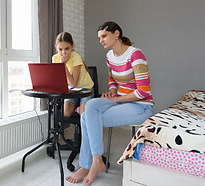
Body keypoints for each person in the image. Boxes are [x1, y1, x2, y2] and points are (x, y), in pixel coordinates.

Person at [66, 22, 154, 185]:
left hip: (141, 106)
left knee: (86, 118)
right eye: (99, 37)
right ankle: (96, 160)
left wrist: (116, 99)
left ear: (117, 34)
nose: (101, 41)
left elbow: (143, 91)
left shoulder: (135, 55)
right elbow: (112, 80)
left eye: (104, 36)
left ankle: (89, 165)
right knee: (90, 106)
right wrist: (112, 92)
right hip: (119, 101)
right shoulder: (109, 57)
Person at [52, 32, 94, 117]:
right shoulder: (55, 58)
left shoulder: (76, 57)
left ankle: (81, 107)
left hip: (85, 90)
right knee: (65, 114)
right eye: (60, 49)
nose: (63, 52)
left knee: (83, 115)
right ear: (56, 48)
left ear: (72, 47)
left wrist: (63, 65)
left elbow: (73, 83)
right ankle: (78, 106)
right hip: (72, 91)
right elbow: (58, 80)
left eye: (67, 48)